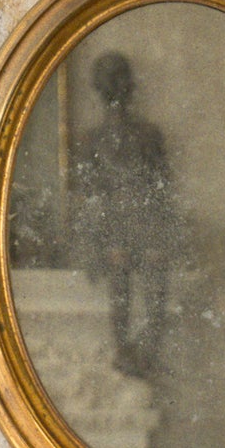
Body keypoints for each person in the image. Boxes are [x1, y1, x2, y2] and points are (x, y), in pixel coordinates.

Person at [68, 47, 183, 379]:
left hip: (147, 229)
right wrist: (100, 244)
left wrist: (160, 239)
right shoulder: (91, 140)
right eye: (111, 82)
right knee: (121, 286)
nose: (116, 89)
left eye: (118, 81)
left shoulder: (148, 134)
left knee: (153, 290)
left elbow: (162, 190)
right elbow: (90, 197)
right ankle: (126, 353)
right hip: (115, 232)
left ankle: (143, 355)